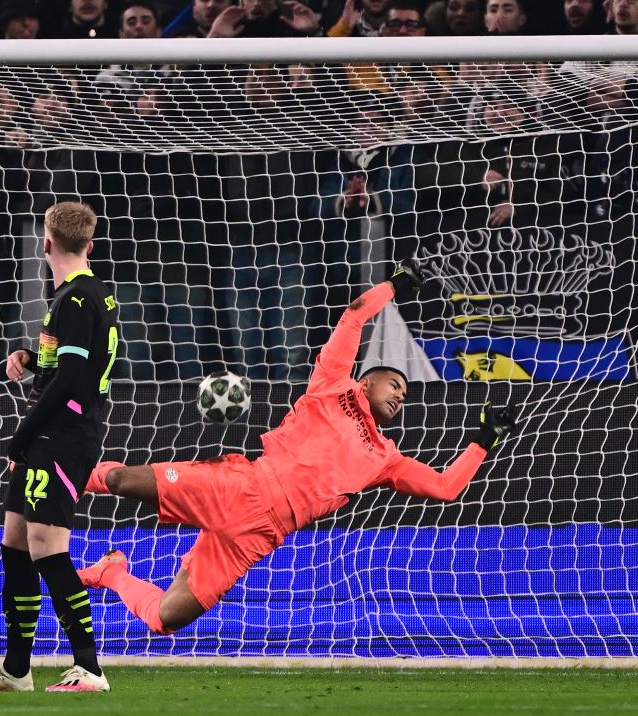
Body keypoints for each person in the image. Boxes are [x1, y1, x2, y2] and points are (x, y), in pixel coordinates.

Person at [79, 268, 519, 634]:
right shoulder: (332, 385)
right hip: (240, 488)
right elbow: (352, 318)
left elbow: (445, 487)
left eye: (406, 394)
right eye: (396, 384)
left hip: (258, 537)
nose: (401, 396)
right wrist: (394, 287)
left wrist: (482, 442)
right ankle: (61, 472)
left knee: (164, 619)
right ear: (366, 381)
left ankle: (112, 572)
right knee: (119, 480)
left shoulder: (386, 456)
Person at [0, 202, 115, 695]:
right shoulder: (84, 295)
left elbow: (70, 381)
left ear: (46, 243)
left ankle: (89, 668)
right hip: (56, 432)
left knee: (47, 547)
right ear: (89, 245)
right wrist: (31, 357)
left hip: (64, 437)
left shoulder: (75, 299)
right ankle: (16, 668)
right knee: (16, 544)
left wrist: (22, 438)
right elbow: (67, 363)